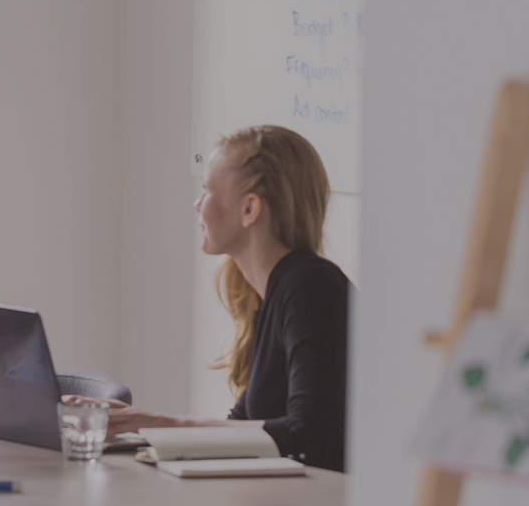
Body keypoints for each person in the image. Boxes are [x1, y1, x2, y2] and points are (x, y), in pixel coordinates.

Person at [73, 125, 351, 471]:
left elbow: (312, 437)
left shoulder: (310, 287)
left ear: (249, 209)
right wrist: (142, 425)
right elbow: (243, 427)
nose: (197, 203)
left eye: (206, 189)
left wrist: (156, 423)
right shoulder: (280, 291)